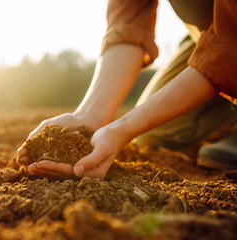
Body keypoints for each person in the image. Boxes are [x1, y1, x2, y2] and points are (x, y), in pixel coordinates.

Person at [17, 0, 237, 180]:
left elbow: (230, 49)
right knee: (155, 131)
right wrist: (88, 117)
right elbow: (128, 26)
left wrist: (123, 129)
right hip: (214, 35)